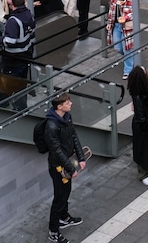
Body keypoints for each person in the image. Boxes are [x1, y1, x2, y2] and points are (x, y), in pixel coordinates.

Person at [43, 93, 87, 243]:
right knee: (59, 198)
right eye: (67, 102)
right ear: (59, 106)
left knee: (66, 192)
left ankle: (64, 217)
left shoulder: (67, 118)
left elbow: (74, 136)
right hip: (58, 167)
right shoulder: (52, 126)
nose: (71, 104)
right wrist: (71, 169)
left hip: (67, 163)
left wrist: (81, 157)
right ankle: (53, 231)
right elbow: (56, 151)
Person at [105, 0, 136, 79]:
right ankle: (131, 56)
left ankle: (128, 70)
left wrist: (125, 17)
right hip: (117, 25)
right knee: (118, 48)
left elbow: (133, 12)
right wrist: (109, 23)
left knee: (127, 49)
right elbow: (111, 11)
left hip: (126, 27)